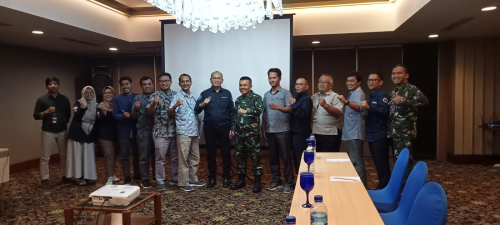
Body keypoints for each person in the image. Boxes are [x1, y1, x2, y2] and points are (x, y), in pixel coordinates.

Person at [195, 71, 235, 188]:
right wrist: (203, 103)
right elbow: (196, 110)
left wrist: (232, 128)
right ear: (210, 80)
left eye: (219, 78)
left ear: (222, 80)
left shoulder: (227, 94)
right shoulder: (205, 93)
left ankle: (226, 178)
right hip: (210, 128)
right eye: (214, 78)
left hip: (225, 128)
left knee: (226, 154)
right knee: (211, 154)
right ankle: (212, 178)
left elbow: (232, 112)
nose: (216, 80)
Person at [168, 74, 206, 192]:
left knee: (195, 158)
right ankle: (183, 183)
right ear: (179, 84)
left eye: (187, 81)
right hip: (183, 132)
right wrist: (175, 105)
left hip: (194, 132)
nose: (185, 83)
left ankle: (193, 179)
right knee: (183, 159)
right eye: (182, 82)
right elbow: (169, 114)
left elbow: (198, 111)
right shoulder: (177, 97)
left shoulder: (195, 97)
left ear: (191, 82)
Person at [33, 77, 72, 189]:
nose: (53, 86)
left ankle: (65, 176)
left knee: (64, 155)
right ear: (47, 86)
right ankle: (45, 178)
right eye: (50, 84)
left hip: (62, 130)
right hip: (48, 131)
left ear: (58, 85)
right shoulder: (42, 99)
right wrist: (46, 112)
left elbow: (68, 115)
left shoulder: (64, 99)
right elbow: (36, 116)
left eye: (55, 83)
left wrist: (63, 122)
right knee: (45, 157)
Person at [388, 65, 428, 169]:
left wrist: (403, 100)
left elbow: (424, 101)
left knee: (405, 163)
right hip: (395, 132)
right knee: (398, 163)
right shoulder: (394, 91)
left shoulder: (411, 88)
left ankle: (407, 185)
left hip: (405, 133)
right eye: (393, 73)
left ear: (406, 75)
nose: (395, 75)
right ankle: (400, 184)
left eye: (399, 73)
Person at [229, 76, 264, 193]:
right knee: (240, 157)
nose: (242, 87)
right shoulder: (238, 100)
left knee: (255, 158)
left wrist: (246, 111)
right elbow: (235, 116)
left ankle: (257, 182)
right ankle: (241, 180)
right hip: (239, 135)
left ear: (250, 86)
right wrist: (233, 129)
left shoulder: (256, 98)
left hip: (252, 135)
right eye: (240, 85)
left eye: (245, 85)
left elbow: (259, 111)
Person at [262, 68, 294, 193]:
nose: (272, 80)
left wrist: (277, 107)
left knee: (286, 157)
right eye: (270, 78)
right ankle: (276, 180)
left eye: (274, 77)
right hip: (270, 130)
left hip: (283, 130)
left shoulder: (286, 93)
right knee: (273, 157)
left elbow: (291, 109)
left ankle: (288, 182)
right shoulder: (266, 94)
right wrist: (263, 127)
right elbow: (265, 112)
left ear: (280, 78)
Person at [147, 73, 178, 192]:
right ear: (158, 83)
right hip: (160, 132)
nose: (164, 83)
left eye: (166, 81)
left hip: (175, 131)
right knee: (160, 158)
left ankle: (174, 178)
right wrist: (154, 103)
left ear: (171, 82)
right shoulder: (154, 95)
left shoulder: (176, 95)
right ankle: (161, 181)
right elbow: (149, 113)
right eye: (161, 81)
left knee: (175, 157)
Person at [361, 71, 391, 190]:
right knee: (377, 163)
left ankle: (385, 186)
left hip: (380, 134)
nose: (370, 82)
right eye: (369, 80)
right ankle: (383, 184)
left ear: (381, 82)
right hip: (373, 134)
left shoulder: (382, 95)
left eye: (374, 80)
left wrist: (369, 107)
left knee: (382, 163)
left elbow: (385, 112)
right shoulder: (373, 94)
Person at [338, 71, 367, 187]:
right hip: (352, 131)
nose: (348, 83)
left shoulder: (359, 93)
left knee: (357, 161)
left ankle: (361, 187)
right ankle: (358, 185)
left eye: (351, 81)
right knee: (354, 159)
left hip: (356, 131)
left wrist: (346, 102)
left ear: (359, 82)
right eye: (347, 81)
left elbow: (359, 108)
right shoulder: (353, 92)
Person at [66, 86, 98, 186]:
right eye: (87, 93)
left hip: (89, 133)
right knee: (78, 156)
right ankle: (78, 177)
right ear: (83, 94)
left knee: (87, 156)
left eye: (91, 93)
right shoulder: (78, 103)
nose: (89, 95)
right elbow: (77, 116)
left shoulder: (96, 105)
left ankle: (88, 176)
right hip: (77, 133)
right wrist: (83, 109)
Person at [113, 77, 139, 185]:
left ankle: (138, 174)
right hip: (123, 131)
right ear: (121, 86)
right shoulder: (117, 99)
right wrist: (122, 116)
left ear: (131, 84)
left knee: (138, 154)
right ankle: (127, 176)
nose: (125, 86)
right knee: (124, 155)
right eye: (123, 85)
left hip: (137, 130)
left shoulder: (137, 97)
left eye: (127, 84)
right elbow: (115, 115)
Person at [131, 76, 156, 188]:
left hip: (158, 132)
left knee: (158, 157)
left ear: (153, 84)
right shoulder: (138, 98)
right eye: (144, 84)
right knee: (144, 157)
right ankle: (145, 179)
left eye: (149, 84)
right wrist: (136, 109)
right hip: (143, 132)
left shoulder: (158, 96)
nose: (147, 86)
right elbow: (134, 116)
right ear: (141, 86)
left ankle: (157, 176)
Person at [311, 74, 343, 152]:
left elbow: (338, 112)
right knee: (317, 158)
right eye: (320, 82)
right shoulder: (314, 96)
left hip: (330, 134)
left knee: (329, 159)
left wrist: (326, 106)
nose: (322, 84)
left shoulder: (335, 97)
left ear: (330, 85)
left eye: (325, 82)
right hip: (316, 133)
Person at [97, 86, 120, 185]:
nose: (108, 94)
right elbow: (99, 121)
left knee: (113, 156)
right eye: (106, 93)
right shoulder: (100, 107)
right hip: (104, 135)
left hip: (116, 134)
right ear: (103, 95)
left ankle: (113, 175)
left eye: (110, 92)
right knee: (109, 155)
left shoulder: (117, 105)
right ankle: (109, 177)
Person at [289, 78, 312, 174]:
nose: (297, 86)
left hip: (302, 135)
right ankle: (300, 180)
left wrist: (293, 105)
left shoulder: (306, 99)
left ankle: (303, 181)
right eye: (296, 84)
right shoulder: (298, 98)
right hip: (296, 133)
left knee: (301, 159)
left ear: (306, 86)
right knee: (296, 159)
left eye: (300, 84)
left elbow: (304, 116)